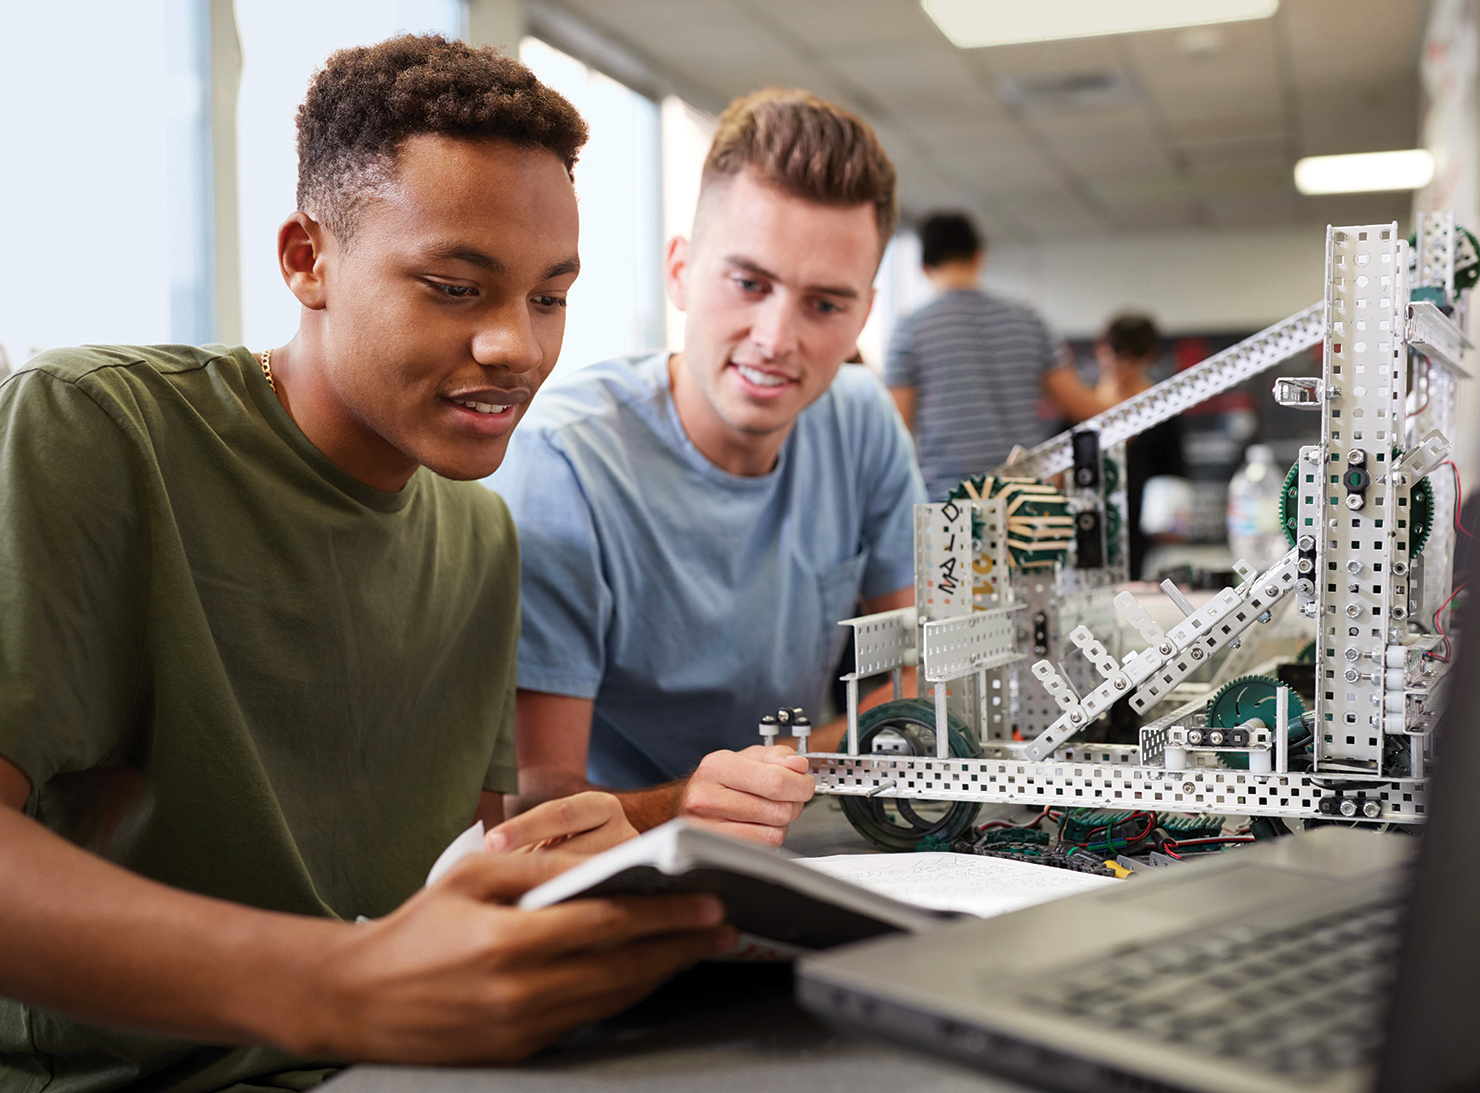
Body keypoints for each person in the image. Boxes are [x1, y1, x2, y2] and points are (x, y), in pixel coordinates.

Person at [0, 36, 736, 1093]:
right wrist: (339, 982)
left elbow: (466, 883)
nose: (516, 348)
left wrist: (586, 859)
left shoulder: (481, 537)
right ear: (308, 260)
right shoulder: (96, 428)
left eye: (548, 297)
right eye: (453, 287)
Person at [490, 89, 924, 847]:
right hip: (629, 869)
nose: (775, 337)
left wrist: (777, 775)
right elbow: (536, 810)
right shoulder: (566, 463)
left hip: (808, 842)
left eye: (825, 304)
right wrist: (693, 801)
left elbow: (920, 681)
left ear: (862, 317)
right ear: (682, 272)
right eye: (749, 284)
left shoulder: (863, 421)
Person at [885, 212, 1063, 501]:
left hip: (951, 506)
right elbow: (1077, 403)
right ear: (978, 257)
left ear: (924, 267)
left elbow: (896, 431)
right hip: (1027, 499)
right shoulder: (1028, 319)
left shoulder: (910, 329)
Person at [1046, 313, 1188, 579]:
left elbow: (1174, 472)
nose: (1121, 366)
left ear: (1149, 358)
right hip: (1085, 525)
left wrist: (1173, 523)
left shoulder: (1163, 409)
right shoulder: (1079, 407)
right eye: (1114, 356)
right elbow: (1054, 467)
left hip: (1141, 533)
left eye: (1131, 360)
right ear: (1101, 351)